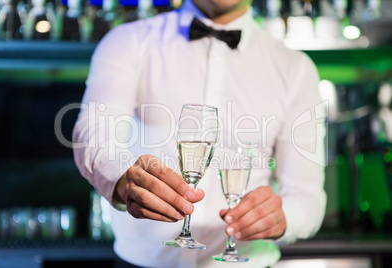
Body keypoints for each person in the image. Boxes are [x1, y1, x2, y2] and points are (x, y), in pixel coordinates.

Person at [72, 0, 327, 267]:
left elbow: (307, 196)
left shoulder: (296, 69)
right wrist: (122, 179)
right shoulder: (128, 41)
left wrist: (283, 216)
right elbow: (94, 134)